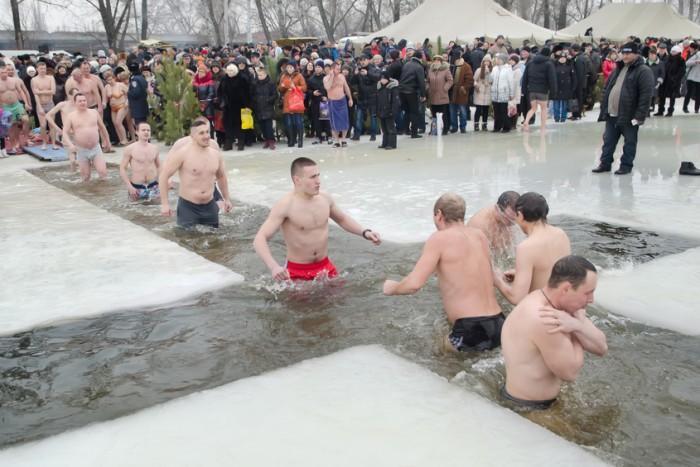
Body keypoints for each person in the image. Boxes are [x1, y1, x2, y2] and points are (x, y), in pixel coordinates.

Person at [383, 193, 504, 352]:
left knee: (438, 355)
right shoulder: (479, 235)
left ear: (439, 214)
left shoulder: (439, 238)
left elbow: (413, 285)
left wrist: (392, 288)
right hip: (499, 323)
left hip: (471, 327)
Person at [501, 255, 608, 410]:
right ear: (566, 289)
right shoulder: (545, 318)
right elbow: (570, 373)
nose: (591, 299)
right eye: (587, 293)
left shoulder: (551, 302)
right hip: (529, 409)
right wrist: (577, 326)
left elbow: (602, 347)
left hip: (534, 401)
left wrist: (578, 325)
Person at [253, 157, 381, 281]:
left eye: (318, 176)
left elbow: (342, 219)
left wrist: (365, 232)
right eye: (313, 177)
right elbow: (260, 239)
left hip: (325, 268)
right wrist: (274, 267)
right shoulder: (286, 205)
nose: (318, 181)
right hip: (297, 271)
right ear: (297, 180)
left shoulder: (324, 199)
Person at [493, 192, 571, 305]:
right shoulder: (561, 234)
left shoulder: (526, 247)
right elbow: (552, 270)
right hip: (564, 304)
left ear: (520, 215)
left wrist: (497, 281)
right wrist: (520, 273)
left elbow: (517, 298)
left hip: (541, 309)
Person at [592, 42, 654, 176]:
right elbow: (608, 87)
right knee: (608, 141)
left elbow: (646, 95)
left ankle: (626, 166)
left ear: (636, 54)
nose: (625, 56)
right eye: (623, 53)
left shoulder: (643, 71)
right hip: (612, 113)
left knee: (629, 142)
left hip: (629, 115)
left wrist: (640, 116)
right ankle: (605, 163)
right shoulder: (618, 68)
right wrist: (604, 104)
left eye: (628, 53)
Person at [159, 119, 233, 228]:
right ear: (193, 136)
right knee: (188, 237)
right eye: (201, 133)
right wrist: (165, 204)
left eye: (207, 132)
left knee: (214, 236)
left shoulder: (216, 155)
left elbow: (221, 177)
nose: (206, 136)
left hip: (209, 206)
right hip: (188, 207)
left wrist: (226, 199)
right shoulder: (183, 154)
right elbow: (163, 176)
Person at [62, 93, 112, 181]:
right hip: (81, 150)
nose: (82, 103)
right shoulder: (71, 116)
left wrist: (108, 142)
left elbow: (103, 128)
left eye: (84, 100)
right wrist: (70, 145)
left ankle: (103, 189)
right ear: (75, 103)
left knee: (103, 173)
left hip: (95, 148)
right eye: (80, 101)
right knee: (86, 177)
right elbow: (65, 133)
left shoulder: (94, 112)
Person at [466, 191, 519, 255]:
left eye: (515, 219)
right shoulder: (480, 226)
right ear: (497, 209)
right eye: (509, 219)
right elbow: (474, 255)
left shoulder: (506, 220)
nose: (513, 223)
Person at [120, 122, 161, 201]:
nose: (146, 132)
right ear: (137, 132)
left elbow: (159, 166)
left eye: (148, 130)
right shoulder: (130, 149)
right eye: (143, 130)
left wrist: (161, 182)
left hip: (153, 186)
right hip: (136, 187)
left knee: (157, 207)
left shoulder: (155, 148)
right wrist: (129, 186)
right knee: (136, 208)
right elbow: (122, 168)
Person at [522, 47, 556, 132]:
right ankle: (543, 127)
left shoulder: (530, 62)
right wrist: (553, 92)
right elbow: (552, 79)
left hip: (532, 90)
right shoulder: (549, 64)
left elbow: (524, 77)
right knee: (544, 109)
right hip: (543, 90)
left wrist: (524, 89)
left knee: (533, 108)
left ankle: (526, 121)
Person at [323, 61, 353, 147]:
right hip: (332, 101)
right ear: (332, 69)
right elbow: (327, 87)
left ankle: (343, 140)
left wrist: (350, 98)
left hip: (342, 100)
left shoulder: (342, 76)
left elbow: (346, 87)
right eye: (337, 69)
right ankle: (336, 141)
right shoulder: (326, 78)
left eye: (340, 69)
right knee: (334, 122)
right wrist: (332, 76)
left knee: (345, 121)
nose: (339, 70)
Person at [279, 60, 307, 148]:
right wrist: (283, 86)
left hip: (296, 101)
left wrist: (295, 87)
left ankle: (300, 140)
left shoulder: (299, 75)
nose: (289, 69)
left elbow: (304, 88)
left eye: (291, 67)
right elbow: (280, 89)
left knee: (298, 122)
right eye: (288, 67)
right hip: (287, 101)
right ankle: (291, 140)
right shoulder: (284, 76)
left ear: (294, 68)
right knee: (289, 123)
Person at [30, 61, 58, 149]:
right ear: (37, 69)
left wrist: (40, 91)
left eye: (44, 68)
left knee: (51, 124)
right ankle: (44, 143)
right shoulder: (34, 80)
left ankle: (53, 143)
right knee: (43, 125)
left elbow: (53, 91)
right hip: (40, 104)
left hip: (50, 103)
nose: (43, 70)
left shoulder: (50, 78)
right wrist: (39, 106)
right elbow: (35, 94)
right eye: (41, 68)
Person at [398, 50, 426, 138]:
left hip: (402, 91)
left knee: (407, 111)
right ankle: (414, 132)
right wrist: (423, 95)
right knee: (414, 112)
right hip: (411, 91)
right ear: (420, 58)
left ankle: (406, 130)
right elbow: (421, 82)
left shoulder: (406, 64)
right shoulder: (419, 67)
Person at [427, 55, 453, 135]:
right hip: (433, 96)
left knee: (444, 114)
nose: (436, 61)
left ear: (441, 61)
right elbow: (428, 81)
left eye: (438, 60)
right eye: (435, 60)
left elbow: (450, 80)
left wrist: (445, 88)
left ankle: (445, 129)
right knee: (434, 115)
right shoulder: (431, 70)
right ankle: (434, 129)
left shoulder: (445, 70)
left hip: (442, 96)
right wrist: (428, 88)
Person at [449, 52, 474, 133]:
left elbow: (470, 80)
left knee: (462, 111)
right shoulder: (452, 66)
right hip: (452, 92)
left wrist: (464, 87)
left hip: (461, 92)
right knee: (452, 111)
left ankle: (463, 127)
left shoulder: (466, 66)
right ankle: (454, 127)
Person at [490, 53, 515, 133]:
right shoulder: (494, 68)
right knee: (496, 111)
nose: (496, 60)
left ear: (502, 60)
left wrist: (511, 94)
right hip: (495, 93)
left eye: (498, 59)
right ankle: (497, 127)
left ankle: (506, 127)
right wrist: (488, 74)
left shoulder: (508, 69)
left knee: (503, 111)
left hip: (503, 93)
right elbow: (491, 80)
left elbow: (511, 82)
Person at [376, 70, 400, 150]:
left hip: (389, 111)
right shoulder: (379, 87)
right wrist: (377, 111)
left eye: (384, 79)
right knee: (384, 128)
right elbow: (377, 100)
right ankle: (385, 143)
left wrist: (393, 111)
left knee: (390, 128)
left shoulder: (393, 87)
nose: (382, 80)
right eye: (381, 79)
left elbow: (395, 101)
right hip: (381, 111)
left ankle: (392, 144)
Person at [682, 42, 699, 114]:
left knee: (698, 94)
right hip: (691, 76)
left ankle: (696, 109)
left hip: (698, 78)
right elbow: (686, 63)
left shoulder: (697, 54)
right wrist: (695, 62)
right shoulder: (694, 55)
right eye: (690, 48)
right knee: (688, 92)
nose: (690, 49)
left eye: (691, 48)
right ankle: (685, 107)